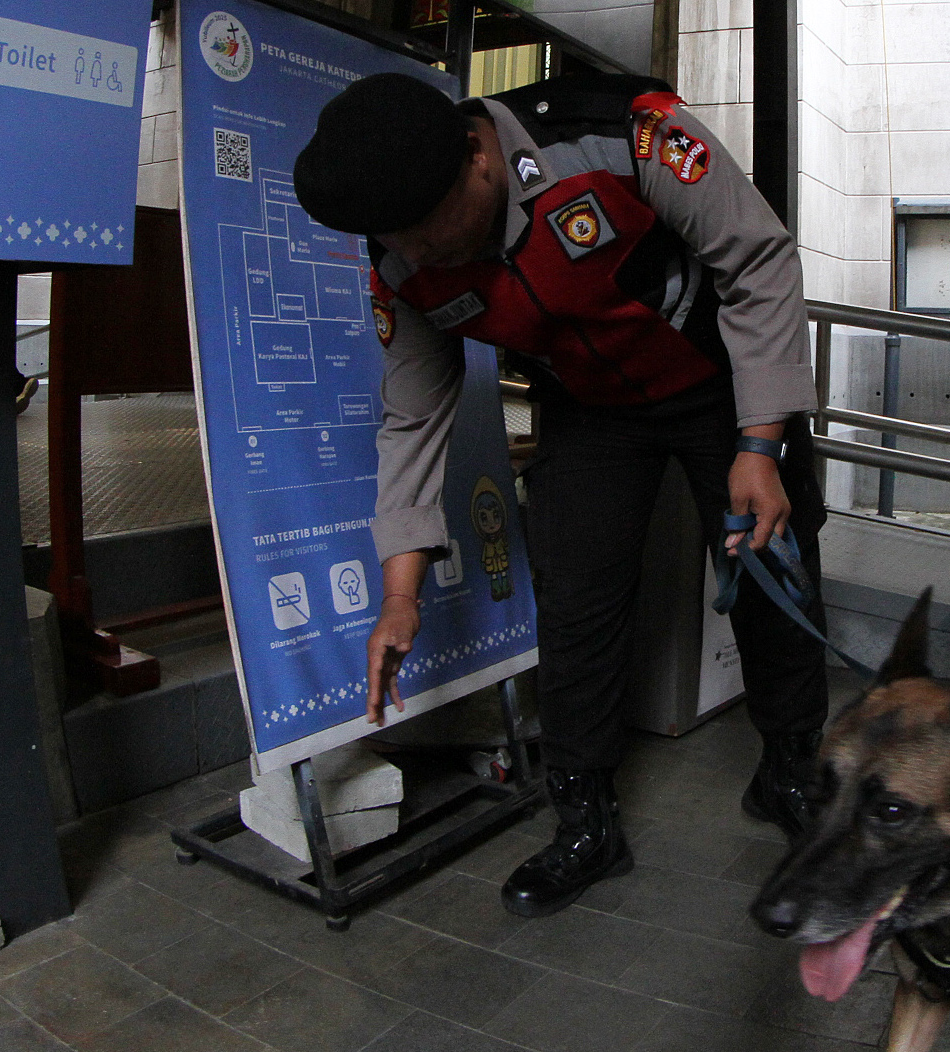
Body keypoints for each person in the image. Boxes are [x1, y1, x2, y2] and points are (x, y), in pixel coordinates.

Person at [293, 70, 830, 917]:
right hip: (591, 407)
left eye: (430, 231)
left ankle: (791, 769)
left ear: (476, 156)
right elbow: (412, 415)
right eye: (401, 240)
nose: (421, 256)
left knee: (769, 568)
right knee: (575, 599)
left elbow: (755, 256)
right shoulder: (401, 257)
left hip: (719, 380)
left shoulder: (619, 134)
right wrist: (400, 591)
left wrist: (759, 440)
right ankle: (584, 819)